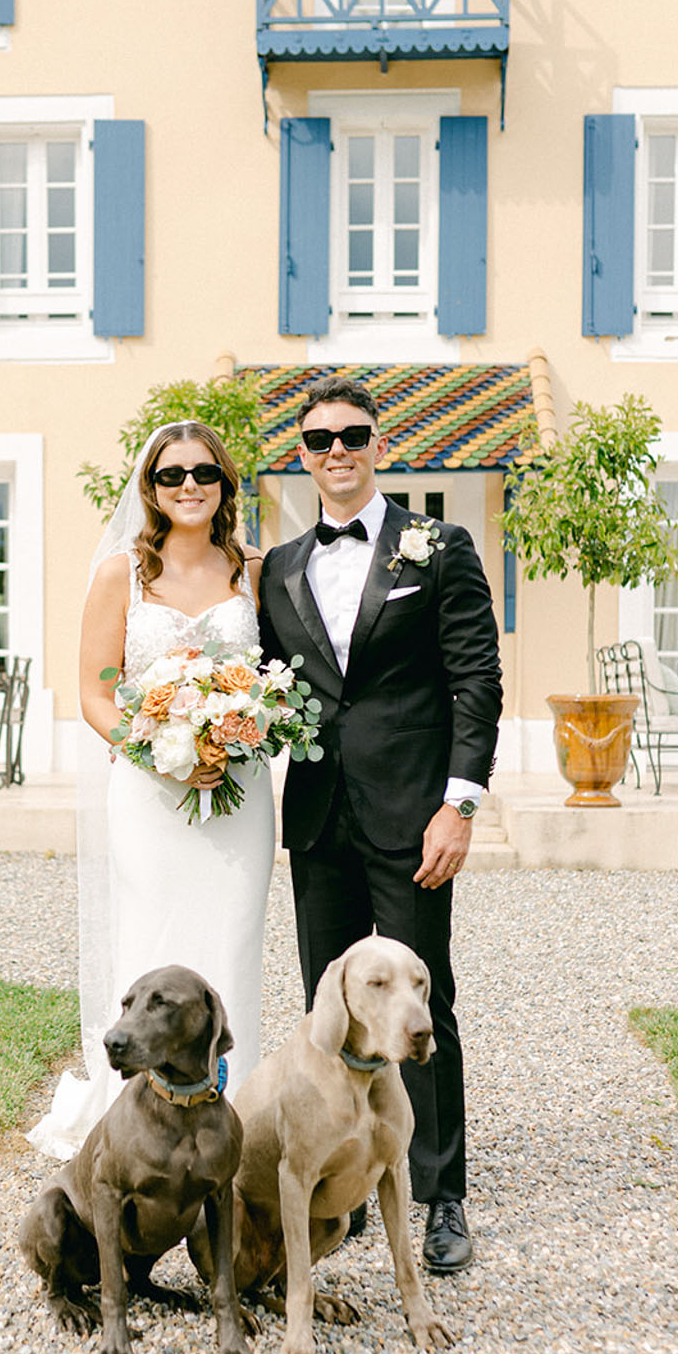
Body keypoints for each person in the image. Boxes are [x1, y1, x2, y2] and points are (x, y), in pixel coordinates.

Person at [257, 375, 502, 1273]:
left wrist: (459, 805)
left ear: (377, 442)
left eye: (352, 435)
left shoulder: (438, 548)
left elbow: (478, 682)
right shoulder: (279, 570)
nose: (337, 453)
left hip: (413, 819)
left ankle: (441, 1194)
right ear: (303, 453)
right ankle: (345, 1179)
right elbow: (273, 690)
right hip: (318, 820)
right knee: (331, 1008)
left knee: (418, 1010)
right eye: (319, 440)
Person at [30, 422, 276, 1160]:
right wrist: (160, 750)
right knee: (151, 943)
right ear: (153, 489)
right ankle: (138, 1123)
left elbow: (277, 681)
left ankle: (230, 1113)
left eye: (205, 472)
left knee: (231, 946)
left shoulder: (253, 569)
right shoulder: (121, 575)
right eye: (173, 476)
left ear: (226, 484)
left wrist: (232, 734)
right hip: (148, 795)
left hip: (240, 795)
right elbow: (95, 689)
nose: (190, 486)